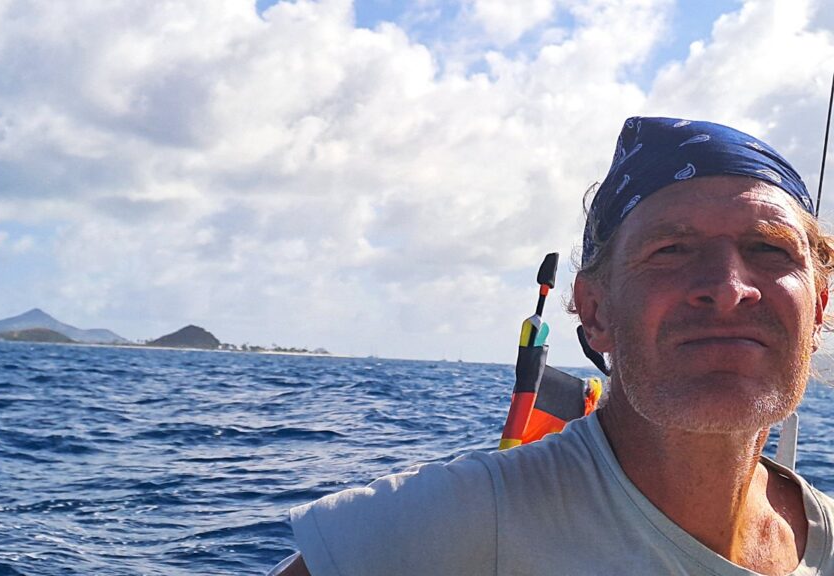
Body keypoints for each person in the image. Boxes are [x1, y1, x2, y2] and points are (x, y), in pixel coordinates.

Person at [271, 116, 834, 575]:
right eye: (671, 251)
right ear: (595, 312)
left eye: (770, 248)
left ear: (818, 307)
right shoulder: (460, 522)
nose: (728, 288)